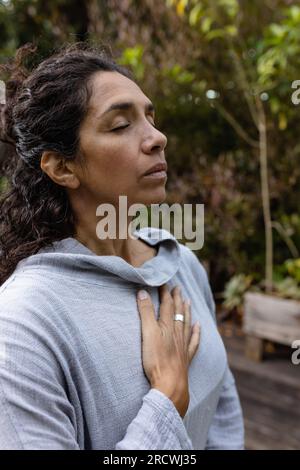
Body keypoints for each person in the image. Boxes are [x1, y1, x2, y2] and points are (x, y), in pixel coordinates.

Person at [0, 43, 244, 450]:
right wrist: (167, 400)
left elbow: (223, 411)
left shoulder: (182, 264)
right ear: (63, 167)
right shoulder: (23, 326)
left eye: (151, 118)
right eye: (120, 126)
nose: (157, 138)